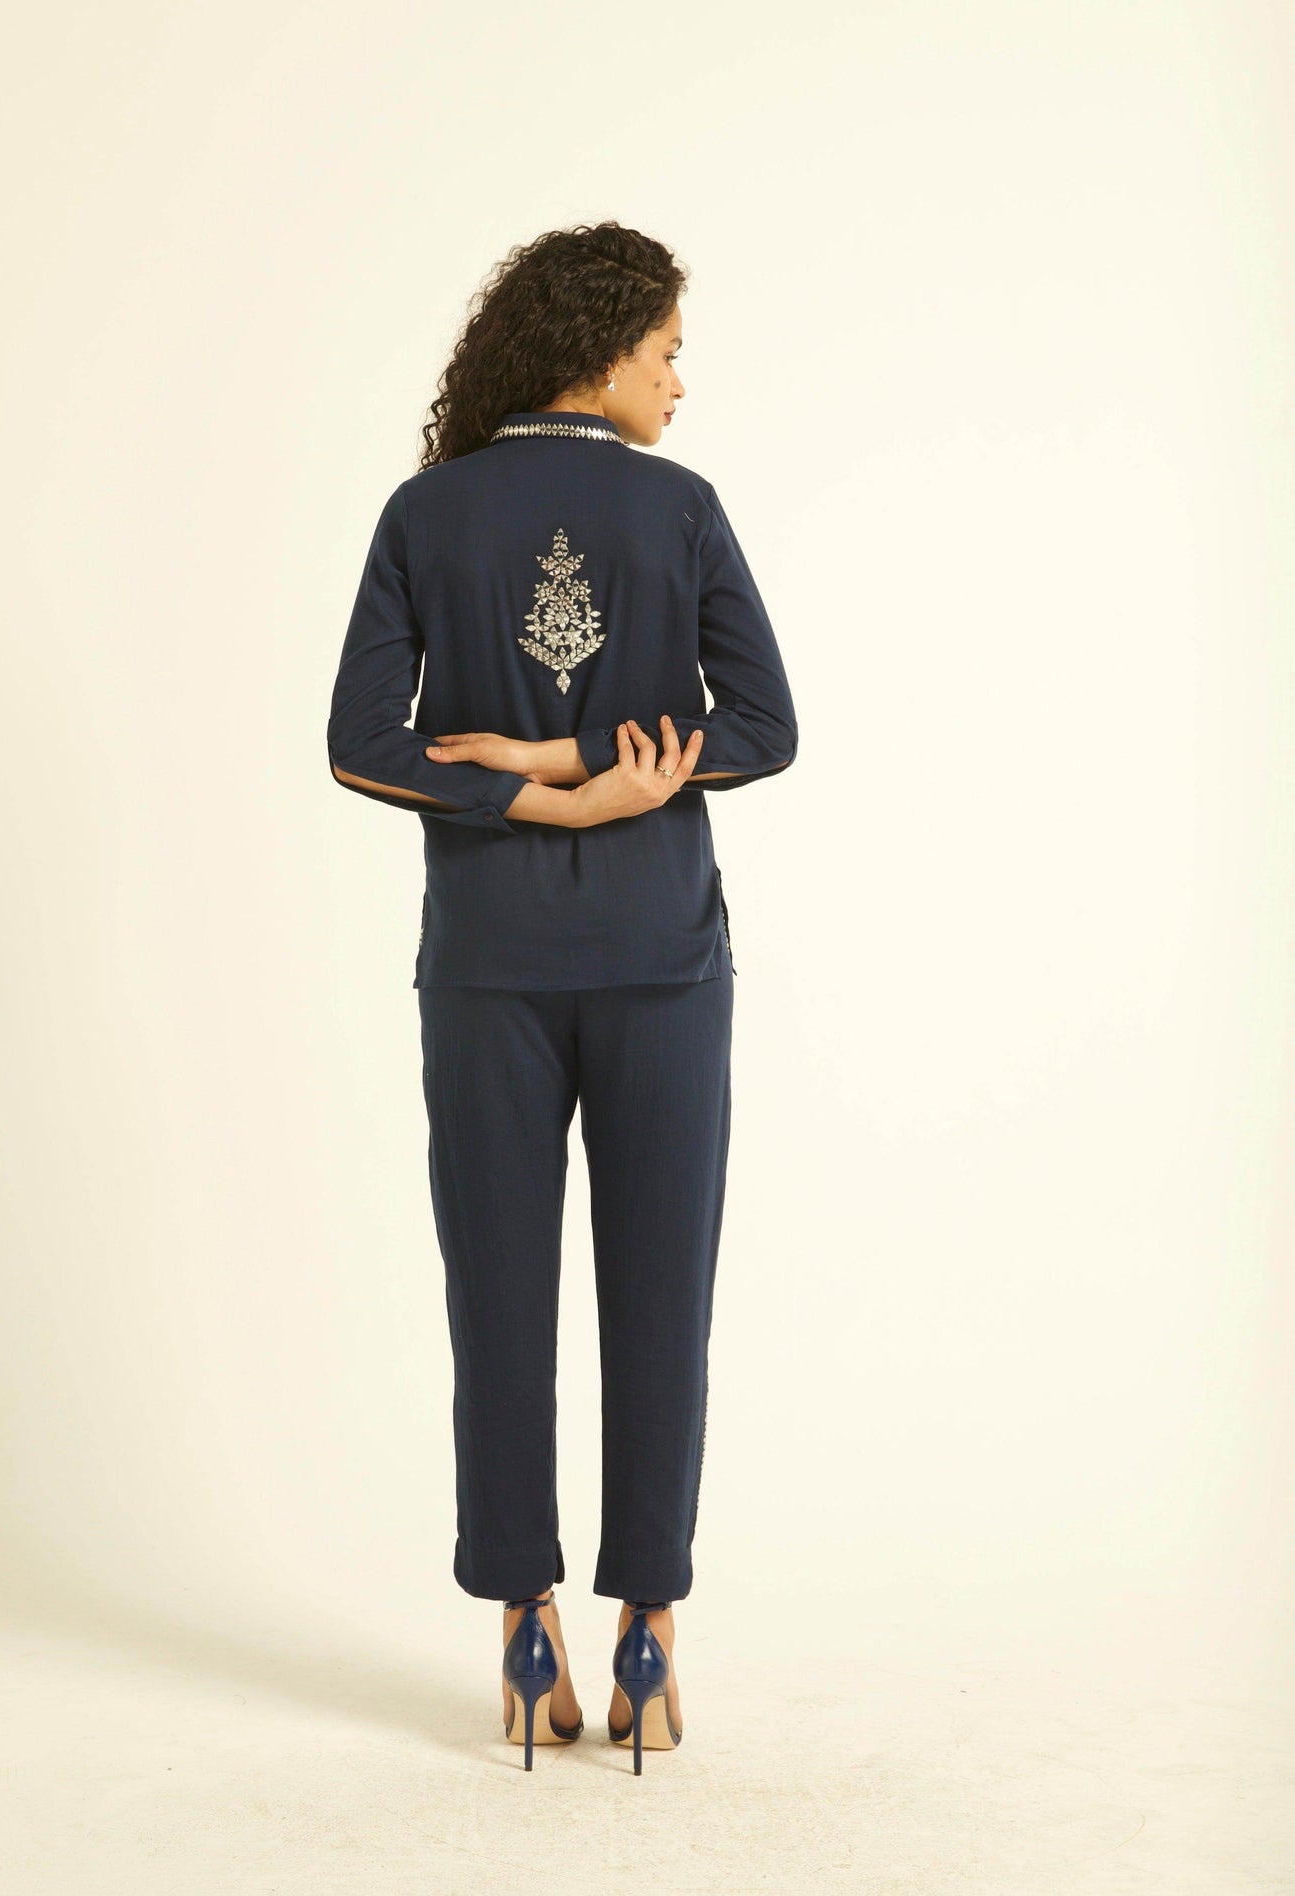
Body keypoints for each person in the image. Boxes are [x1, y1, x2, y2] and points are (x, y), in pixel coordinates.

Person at [326, 220, 797, 1771]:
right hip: (663, 962)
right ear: (600, 356)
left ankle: (524, 1628)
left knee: (498, 1303)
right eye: (667, 351)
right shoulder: (679, 508)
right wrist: (599, 780)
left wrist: (534, 771)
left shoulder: (427, 511)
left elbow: (361, 744)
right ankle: (648, 1638)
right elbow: (763, 725)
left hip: (487, 968)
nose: (679, 381)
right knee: (663, 1303)